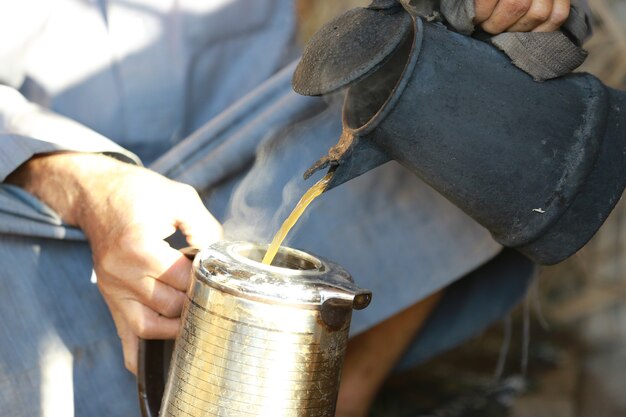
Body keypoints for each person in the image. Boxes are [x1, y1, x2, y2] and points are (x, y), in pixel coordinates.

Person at [0, 0, 581, 416]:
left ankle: (345, 393)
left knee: (469, 102)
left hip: (257, 171)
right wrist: (86, 184)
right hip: (39, 199)